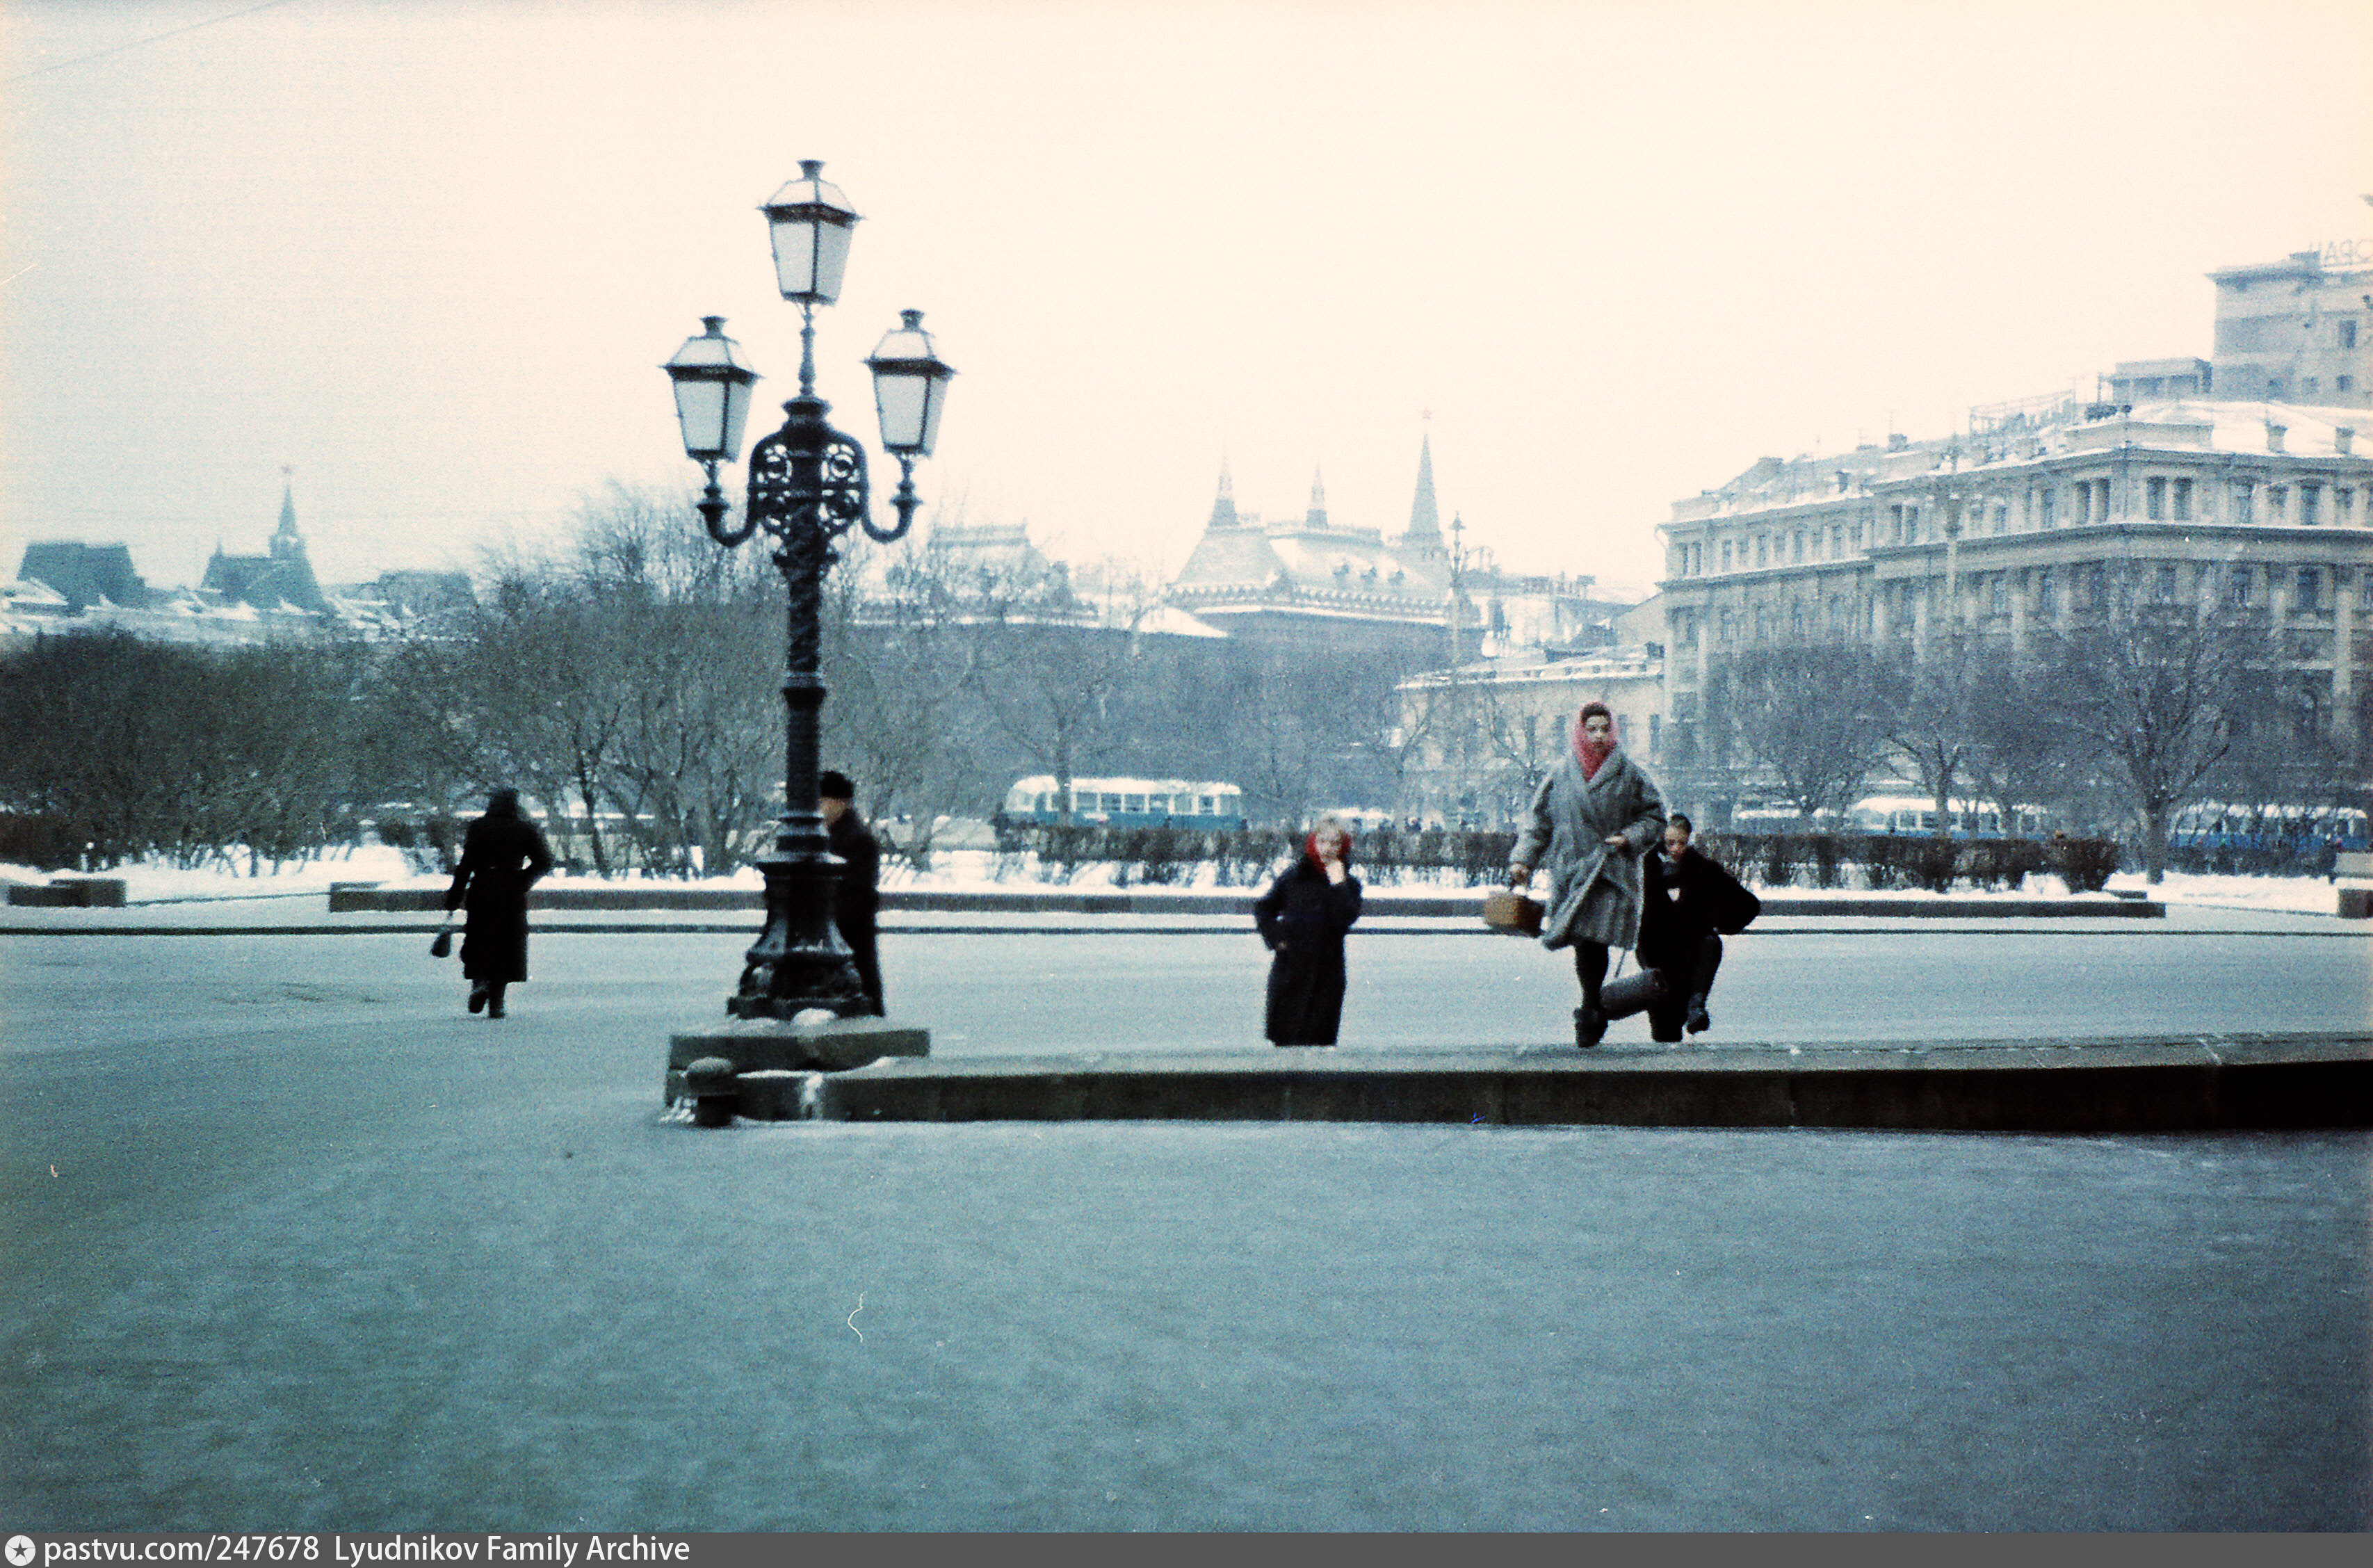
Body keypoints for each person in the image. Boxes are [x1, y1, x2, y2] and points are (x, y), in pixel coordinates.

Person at [1508, 701, 1667, 1048]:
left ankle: (1590, 1007)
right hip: (1573, 871)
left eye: (1604, 729)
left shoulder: (1631, 773)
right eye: (1591, 729)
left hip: (1610, 871)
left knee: (1595, 940)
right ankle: (1593, 1004)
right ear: (1580, 731)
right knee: (1584, 944)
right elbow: (1539, 824)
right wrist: (1523, 861)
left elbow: (1656, 817)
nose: (1598, 736)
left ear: (1614, 732)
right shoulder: (1560, 773)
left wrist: (1629, 837)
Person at [1635, 813, 1760, 1042]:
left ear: (1689, 840)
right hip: (1656, 955)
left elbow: (1748, 904)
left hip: (1690, 956)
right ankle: (1669, 1066)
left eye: (1681, 842)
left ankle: (1695, 1007)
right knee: (1663, 1024)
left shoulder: (1703, 870)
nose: (1676, 849)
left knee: (1682, 1005)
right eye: (1670, 843)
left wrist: (1718, 923)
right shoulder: (1643, 872)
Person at [442, 786, 554, 1019]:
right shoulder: (525, 830)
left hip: (482, 888)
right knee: (506, 943)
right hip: (511, 893)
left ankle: (480, 982)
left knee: (479, 938)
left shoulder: (479, 827)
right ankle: (497, 1002)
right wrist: (523, 880)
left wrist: (454, 897)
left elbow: (466, 864)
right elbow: (545, 861)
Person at [1254, 817, 1363, 1046]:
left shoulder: (1348, 883)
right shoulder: (1294, 877)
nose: (1328, 849)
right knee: (1286, 1040)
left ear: (1342, 847)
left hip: (1326, 973)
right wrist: (1277, 939)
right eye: (1322, 841)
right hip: (1291, 970)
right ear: (1313, 843)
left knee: (1318, 1043)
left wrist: (1339, 884)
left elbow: (1348, 916)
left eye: (1335, 843)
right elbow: (1264, 908)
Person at [819, 770, 884, 1016]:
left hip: (848, 940)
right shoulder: (829, 836)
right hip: (839, 941)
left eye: (822, 801)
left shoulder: (857, 840)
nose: (817, 808)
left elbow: (856, 895)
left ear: (841, 803)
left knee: (859, 999)